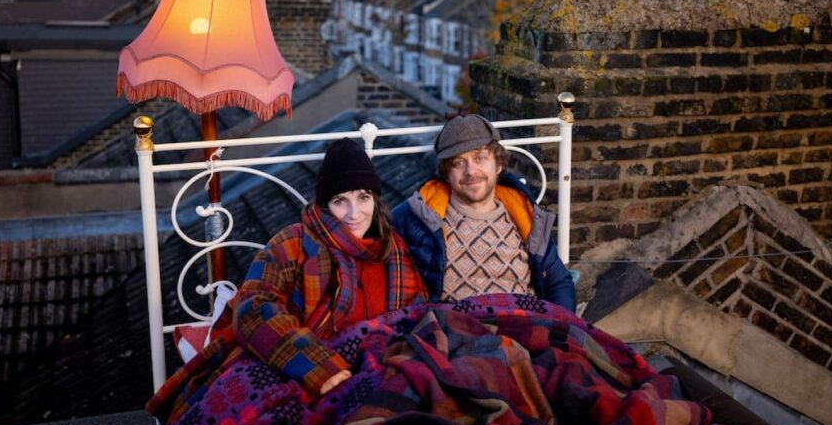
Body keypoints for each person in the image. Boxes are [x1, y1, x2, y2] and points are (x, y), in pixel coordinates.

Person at [231, 138, 427, 396]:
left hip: (385, 369)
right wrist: (317, 367)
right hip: (316, 373)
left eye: (363, 197)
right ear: (325, 205)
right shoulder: (295, 242)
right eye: (340, 201)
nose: (354, 213)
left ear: (375, 200)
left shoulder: (394, 249)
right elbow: (252, 309)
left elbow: (418, 313)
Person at [392, 113, 575, 312]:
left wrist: (562, 330)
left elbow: (558, 283)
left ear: (498, 164)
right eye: (458, 162)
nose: (470, 171)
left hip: (524, 325)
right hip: (458, 331)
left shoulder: (525, 215)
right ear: (446, 173)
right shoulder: (417, 216)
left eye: (480, 158)